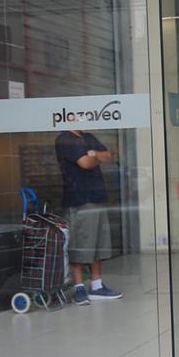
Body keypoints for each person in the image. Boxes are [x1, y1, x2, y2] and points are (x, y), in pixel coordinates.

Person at [55, 128, 122, 304]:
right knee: (80, 243)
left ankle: (97, 286)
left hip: (97, 197)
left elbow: (109, 156)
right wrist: (95, 156)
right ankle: (79, 289)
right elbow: (85, 163)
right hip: (79, 199)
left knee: (98, 242)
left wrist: (95, 155)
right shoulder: (65, 139)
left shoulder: (89, 137)